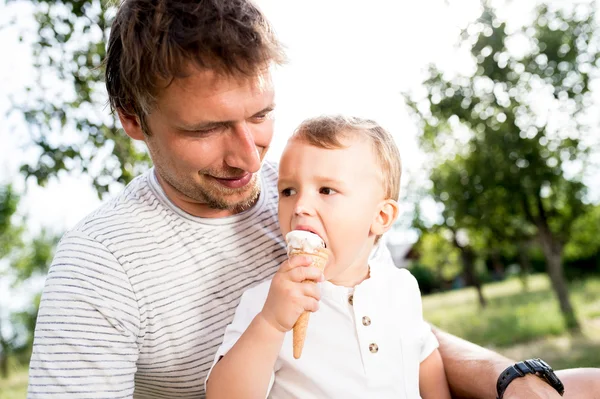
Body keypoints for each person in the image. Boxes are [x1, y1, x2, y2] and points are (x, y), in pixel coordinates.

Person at [26, 0, 600, 398]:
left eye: (261, 115)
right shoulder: (97, 267)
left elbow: (393, 327)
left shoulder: (308, 185)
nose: (250, 159)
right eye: (205, 131)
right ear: (133, 119)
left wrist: (512, 378)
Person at [206, 115, 452, 399]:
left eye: (326, 190)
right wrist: (271, 324)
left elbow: (424, 357)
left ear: (381, 216)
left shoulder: (402, 287)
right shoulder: (266, 302)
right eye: (288, 191)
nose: (299, 206)